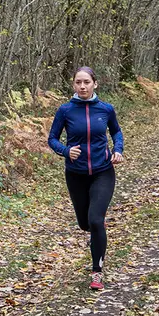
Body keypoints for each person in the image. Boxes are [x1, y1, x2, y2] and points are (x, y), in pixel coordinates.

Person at [48, 66, 125, 289]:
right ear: (73, 85)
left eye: (86, 82)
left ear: (95, 84)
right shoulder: (65, 110)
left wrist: (117, 149)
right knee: (84, 223)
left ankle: (97, 272)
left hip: (103, 171)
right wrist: (65, 150)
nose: (82, 86)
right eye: (78, 82)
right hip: (76, 174)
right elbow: (52, 138)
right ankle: (97, 234)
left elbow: (116, 132)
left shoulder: (106, 109)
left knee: (95, 220)